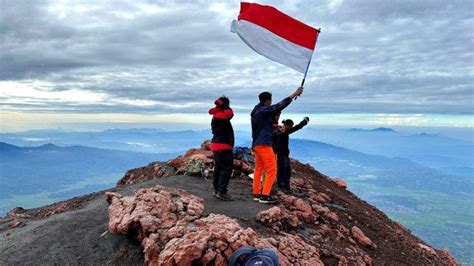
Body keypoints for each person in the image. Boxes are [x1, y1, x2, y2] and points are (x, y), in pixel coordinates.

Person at [250, 87, 303, 204]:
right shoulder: (264, 110)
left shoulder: (256, 111)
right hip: (264, 144)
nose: (271, 103)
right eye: (271, 100)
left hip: (256, 144)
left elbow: (262, 127)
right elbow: (279, 106)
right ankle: (265, 195)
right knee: (272, 169)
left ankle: (256, 193)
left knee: (259, 169)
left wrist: (275, 128)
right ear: (268, 101)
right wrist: (294, 94)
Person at [273, 117, 310, 194]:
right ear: (288, 125)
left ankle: (285, 186)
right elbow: (297, 127)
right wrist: (304, 122)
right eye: (290, 126)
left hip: (283, 154)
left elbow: (296, 128)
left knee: (286, 171)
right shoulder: (282, 131)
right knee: (282, 170)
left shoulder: (282, 130)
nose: (291, 128)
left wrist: (304, 122)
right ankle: (282, 186)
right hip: (281, 154)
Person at [209, 96, 234, 201]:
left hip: (217, 145)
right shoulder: (220, 115)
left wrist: (222, 106)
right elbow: (229, 114)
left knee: (219, 168)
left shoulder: (216, 114)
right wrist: (225, 106)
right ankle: (222, 192)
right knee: (226, 168)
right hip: (222, 146)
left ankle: (216, 190)